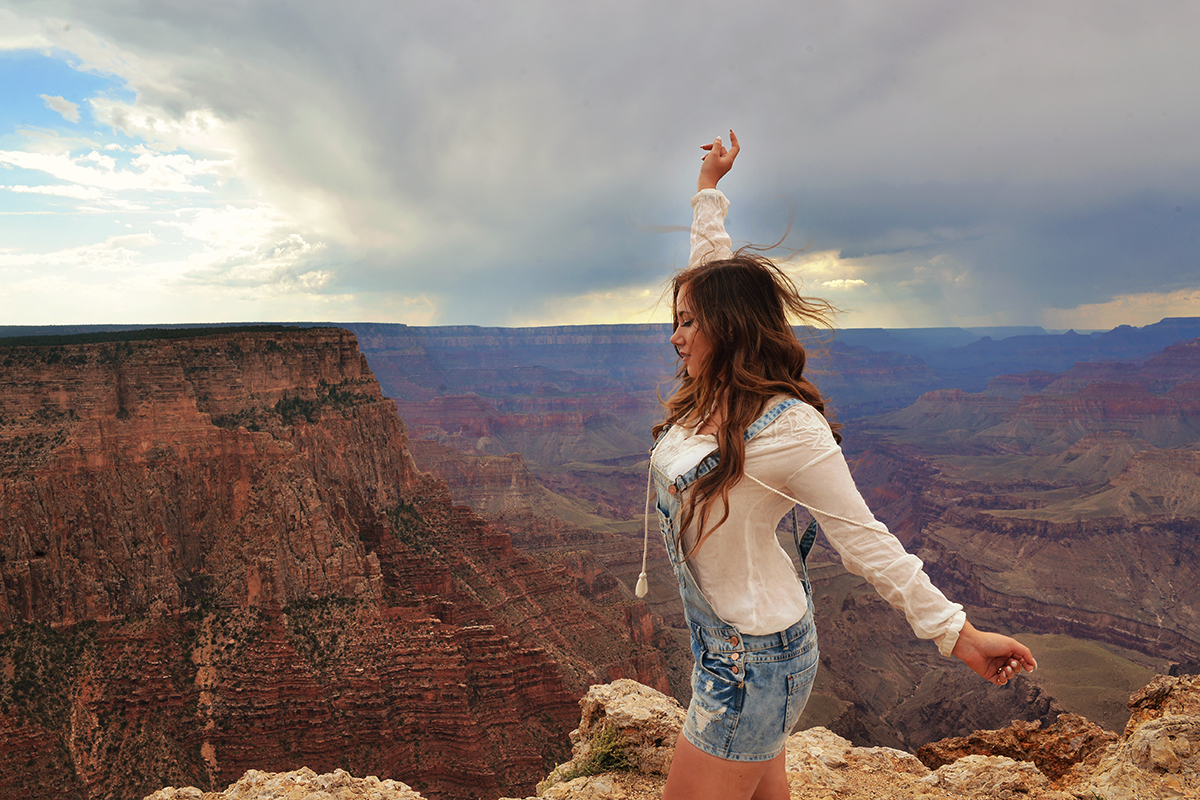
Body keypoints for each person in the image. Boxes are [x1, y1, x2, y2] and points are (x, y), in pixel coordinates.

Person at [637, 131, 1037, 800]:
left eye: (687, 324)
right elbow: (712, 270)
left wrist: (959, 638)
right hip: (741, 647)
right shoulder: (711, 392)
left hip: (752, 664)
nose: (675, 336)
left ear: (727, 329)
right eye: (676, 320)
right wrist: (709, 190)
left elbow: (867, 540)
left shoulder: (790, 427)